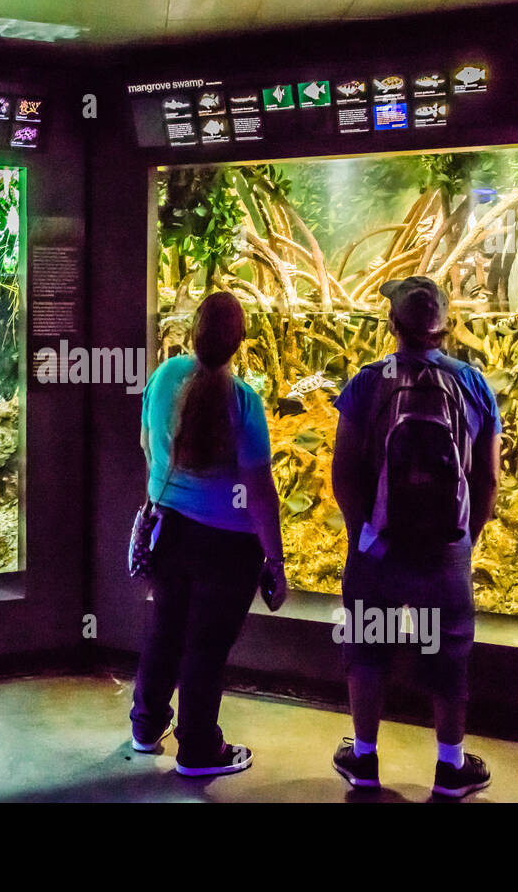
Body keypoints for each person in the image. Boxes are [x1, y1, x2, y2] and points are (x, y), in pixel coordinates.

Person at [329, 275, 500, 799]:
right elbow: (489, 478)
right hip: (445, 549)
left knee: (368, 646)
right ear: (445, 328)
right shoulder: (474, 384)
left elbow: (342, 470)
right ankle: (450, 768)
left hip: (377, 546)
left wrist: (364, 531)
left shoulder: (367, 383)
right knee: (449, 652)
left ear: (392, 325)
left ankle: (364, 760)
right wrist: (464, 538)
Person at [131, 290, 287, 777]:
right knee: (207, 645)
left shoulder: (164, 376)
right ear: (240, 340)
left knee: (166, 631)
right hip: (226, 547)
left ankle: (145, 726)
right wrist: (276, 563)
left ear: (192, 330)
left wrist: (166, 496)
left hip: (169, 532)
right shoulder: (243, 402)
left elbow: (146, 446)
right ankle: (198, 750)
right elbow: (259, 493)